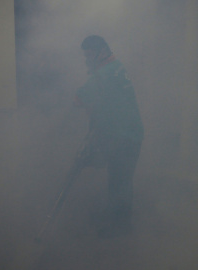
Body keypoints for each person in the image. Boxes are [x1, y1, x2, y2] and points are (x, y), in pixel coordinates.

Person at [75, 35, 144, 238]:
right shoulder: (117, 66)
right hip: (130, 133)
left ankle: (120, 232)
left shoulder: (103, 74)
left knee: (119, 182)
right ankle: (118, 222)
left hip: (124, 137)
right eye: (85, 55)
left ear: (102, 52)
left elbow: (78, 99)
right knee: (120, 180)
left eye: (89, 55)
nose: (87, 59)